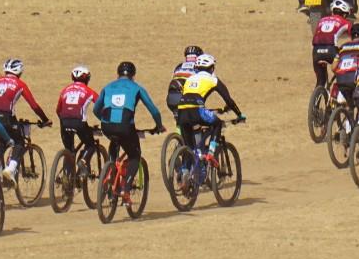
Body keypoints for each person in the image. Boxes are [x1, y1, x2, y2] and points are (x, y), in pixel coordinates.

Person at [92, 61, 164, 193]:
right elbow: (153, 110)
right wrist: (159, 126)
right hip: (125, 127)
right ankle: (126, 188)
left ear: (118, 74)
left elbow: (96, 109)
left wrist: (104, 120)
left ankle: (110, 170)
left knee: (114, 140)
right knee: (135, 156)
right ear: (133, 75)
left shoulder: (107, 87)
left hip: (106, 126)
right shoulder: (137, 87)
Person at [0, 58, 50, 181]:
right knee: (19, 141)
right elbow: (34, 105)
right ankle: (11, 169)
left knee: (1, 145)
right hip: (6, 117)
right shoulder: (19, 84)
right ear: (19, 72)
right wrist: (45, 119)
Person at [173, 54, 245, 153]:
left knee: (190, 150)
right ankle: (211, 153)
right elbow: (228, 100)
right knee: (217, 124)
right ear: (212, 68)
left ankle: (186, 167)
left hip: (181, 111)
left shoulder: (189, 79)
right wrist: (239, 115)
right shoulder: (213, 79)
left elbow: (191, 97)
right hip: (197, 111)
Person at [56, 66, 100, 158]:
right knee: (90, 144)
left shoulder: (65, 90)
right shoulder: (89, 91)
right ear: (87, 79)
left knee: (69, 150)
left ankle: (68, 168)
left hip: (64, 122)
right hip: (79, 122)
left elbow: (58, 110)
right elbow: (101, 104)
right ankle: (82, 162)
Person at [311, 0, 354, 88]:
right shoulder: (346, 22)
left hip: (316, 51)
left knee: (320, 81)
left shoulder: (321, 20)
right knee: (342, 74)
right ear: (345, 14)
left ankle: (316, 98)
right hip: (331, 50)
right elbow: (355, 39)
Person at [331, 23, 359, 106]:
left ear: (351, 36)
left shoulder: (342, 47)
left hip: (341, 80)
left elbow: (333, 67)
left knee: (350, 104)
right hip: (356, 79)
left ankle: (340, 97)